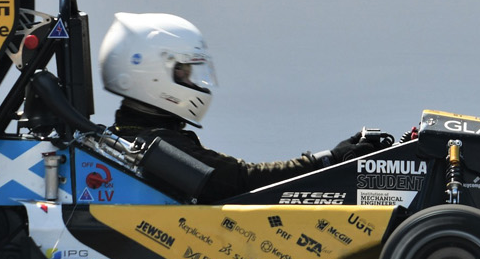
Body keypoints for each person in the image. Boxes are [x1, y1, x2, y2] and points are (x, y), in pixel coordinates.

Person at [99, 12, 382, 202]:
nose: (193, 83)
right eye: (184, 73)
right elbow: (242, 180)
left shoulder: (133, 136)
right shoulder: (151, 144)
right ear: (152, 74)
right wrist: (328, 160)